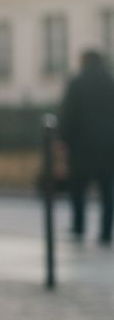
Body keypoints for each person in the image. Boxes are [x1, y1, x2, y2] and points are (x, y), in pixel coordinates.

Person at [60, 50, 114, 246]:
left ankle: (79, 227)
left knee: (78, 189)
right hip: (108, 146)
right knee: (107, 191)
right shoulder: (110, 83)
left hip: (81, 146)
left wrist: (63, 140)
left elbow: (67, 114)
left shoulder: (77, 83)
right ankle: (106, 232)